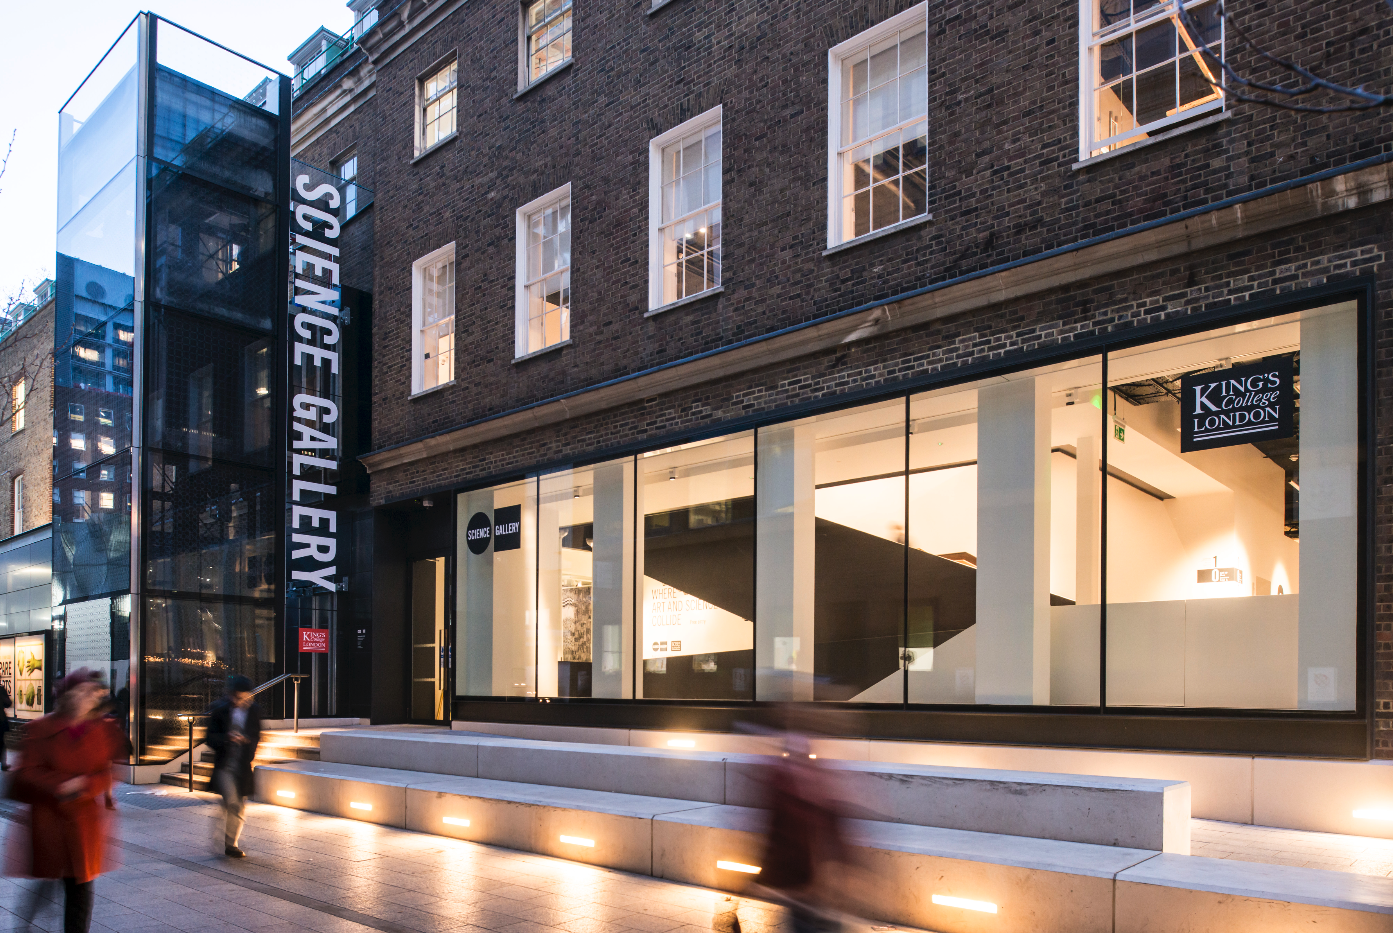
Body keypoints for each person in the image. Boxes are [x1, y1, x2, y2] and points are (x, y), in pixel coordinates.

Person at [8, 669, 124, 933]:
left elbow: (108, 772)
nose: (88, 697)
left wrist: (86, 785)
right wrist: (58, 785)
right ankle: (25, 921)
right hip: (49, 821)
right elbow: (24, 773)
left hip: (83, 824)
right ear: (67, 695)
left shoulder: (102, 730)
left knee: (80, 888)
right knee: (51, 877)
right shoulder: (40, 729)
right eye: (82, 692)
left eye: (92, 693)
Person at [205, 675, 261, 858]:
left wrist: (246, 741)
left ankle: (230, 842)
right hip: (224, 766)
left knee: (238, 805)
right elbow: (209, 738)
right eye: (236, 696)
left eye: (243, 697)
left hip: (242, 766)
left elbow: (256, 735)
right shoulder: (219, 709)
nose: (239, 701)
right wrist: (227, 738)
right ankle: (229, 844)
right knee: (232, 802)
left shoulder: (254, 711)